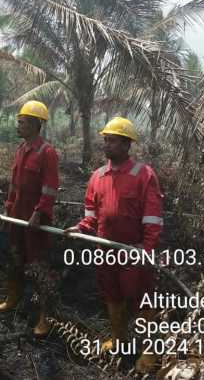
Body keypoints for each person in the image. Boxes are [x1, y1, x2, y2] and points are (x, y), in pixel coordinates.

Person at [65, 116, 163, 374]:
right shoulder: (97, 176)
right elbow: (91, 215)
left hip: (133, 253)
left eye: (112, 141)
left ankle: (149, 352)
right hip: (105, 251)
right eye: (105, 140)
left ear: (127, 144)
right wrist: (81, 228)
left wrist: (146, 250)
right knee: (112, 296)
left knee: (142, 302)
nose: (106, 145)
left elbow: (153, 218)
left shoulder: (143, 175)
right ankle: (120, 342)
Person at [0, 100, 59, 337]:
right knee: (15, 260)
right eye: (18, 122)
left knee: (38, 267)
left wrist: (39, 213)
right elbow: (14, 185)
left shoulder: (46, 152)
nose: (17, 126)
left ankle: (44, 316)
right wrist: (8, 209)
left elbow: (50, 188)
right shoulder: (21, 150)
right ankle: (12, 298)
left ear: (35, 124)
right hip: (17, 218)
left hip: (35, 221)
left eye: (22, 122)